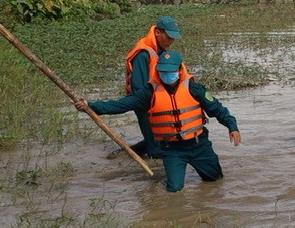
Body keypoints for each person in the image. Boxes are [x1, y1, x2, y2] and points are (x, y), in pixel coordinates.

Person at [75, 51, 241, 192]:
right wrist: (90, 106)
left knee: (215, 182)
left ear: (179, 69)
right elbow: (121, 105)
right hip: (172, 150)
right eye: (163, 71)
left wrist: (232, 126)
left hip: (199, 146)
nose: (167, 75)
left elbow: (217, 109)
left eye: (170, 71)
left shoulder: (194, 88)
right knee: (174, 189)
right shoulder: (149, 92)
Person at [124, 15, 184, 158]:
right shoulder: (143, 54)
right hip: (144, 103)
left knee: (162, 136)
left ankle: (129, 153)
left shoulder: (161, 50)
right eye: (168, 37)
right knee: (155, 148)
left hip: (157, 102)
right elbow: (138, 87)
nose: (171, 41)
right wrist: (153, 104)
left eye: (173, 38)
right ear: (157, 32)